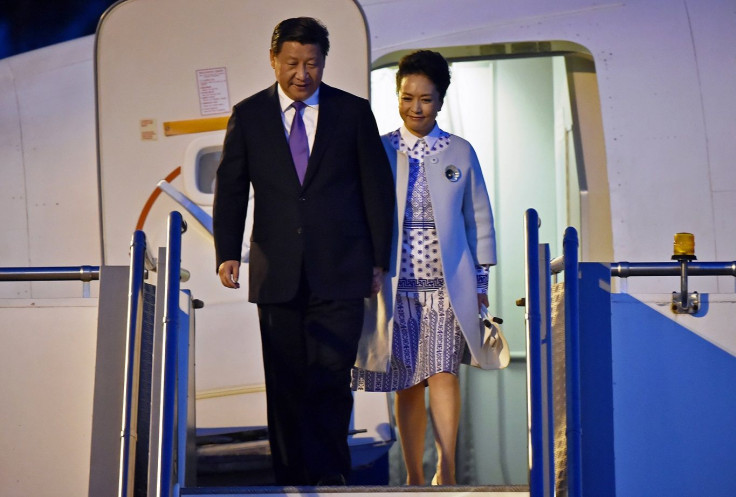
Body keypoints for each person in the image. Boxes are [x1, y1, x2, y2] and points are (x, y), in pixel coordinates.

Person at [213, 17, 394, 486]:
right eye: (292, 63)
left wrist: (379, 259)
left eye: (311, 64)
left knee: (331, 378)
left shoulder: (352, 113)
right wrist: (227, 251)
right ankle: (290, 480)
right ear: (274, 60)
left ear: (323, 63)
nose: (301, 73)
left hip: (342, 268)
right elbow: (231, 188)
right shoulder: (249, 115)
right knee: (286, 381)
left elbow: (376, 189)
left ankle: (332, 475)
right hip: (278, 272)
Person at [351, 50, 497, 485]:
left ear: (441, 100)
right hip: (398, 287)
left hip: (448, 286)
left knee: (444, 373)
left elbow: (480, 219)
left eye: (426, 99)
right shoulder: (381, 148)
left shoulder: (459, 151)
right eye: (407, 97)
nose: (415, 107)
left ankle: (446, 470)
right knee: (408, 381)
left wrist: (482, 282)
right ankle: (415, 475)